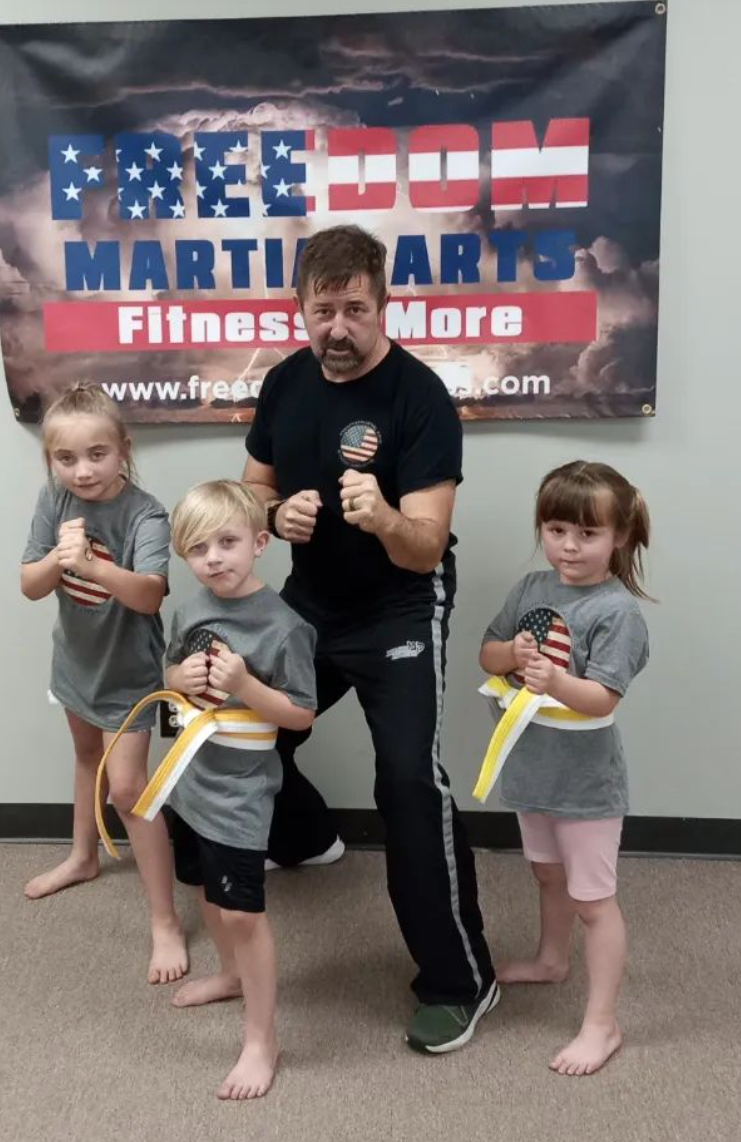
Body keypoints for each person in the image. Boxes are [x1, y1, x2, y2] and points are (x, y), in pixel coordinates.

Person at [242, 224, 498, 1053]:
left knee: (407, 783)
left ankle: (461, 979)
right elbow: (251, 496)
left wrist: (386, 517)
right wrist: (275, 515)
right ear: (300, 310)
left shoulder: (419, 398)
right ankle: (308, 837)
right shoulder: (285, 383)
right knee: (247, 734)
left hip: (399, 606)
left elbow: (426, 545)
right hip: (312, 601)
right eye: (324, 310)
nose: (339, 327)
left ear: (382, 305)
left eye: (356, 308)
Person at [479, 460, 651, 1076]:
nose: (569, 546)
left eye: (586, 534)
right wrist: (513, 654)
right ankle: (551, 960)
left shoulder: (618, 612)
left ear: (619, 537)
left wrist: (553, 679)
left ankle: (602, 1024)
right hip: (531, 767)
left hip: (585, 782)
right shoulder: (530, 589)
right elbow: (488, 654)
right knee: (548, 876)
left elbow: (603, 698)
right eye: (556, 530)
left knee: (594, 901)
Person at [18, 384, 187, 985]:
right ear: (51, 462)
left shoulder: (147, 513)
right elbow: (31, 585)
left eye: (96, 454)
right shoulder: (52, 500)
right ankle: (84, 857)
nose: (81, 470)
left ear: (123, 451)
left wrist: (90, 564)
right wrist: (58, 563)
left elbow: (148, 594)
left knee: (127, 791)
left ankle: (164, 920)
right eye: (66, 459)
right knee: (85, 755)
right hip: (76, 666)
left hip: (131, 677)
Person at [160, 480, 317, 1100]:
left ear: (259, 542)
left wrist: (246, 685)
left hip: (241, 795)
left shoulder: (284, 627)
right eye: (198, 548)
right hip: (190, 780)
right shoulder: (190, 608)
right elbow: (169, 676)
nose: (214, 559)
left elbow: (301, 715)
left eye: (227, 542)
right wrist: (180, 674)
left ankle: (262, 1039)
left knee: (242, 914)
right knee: (203, 889)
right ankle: (228, 974)